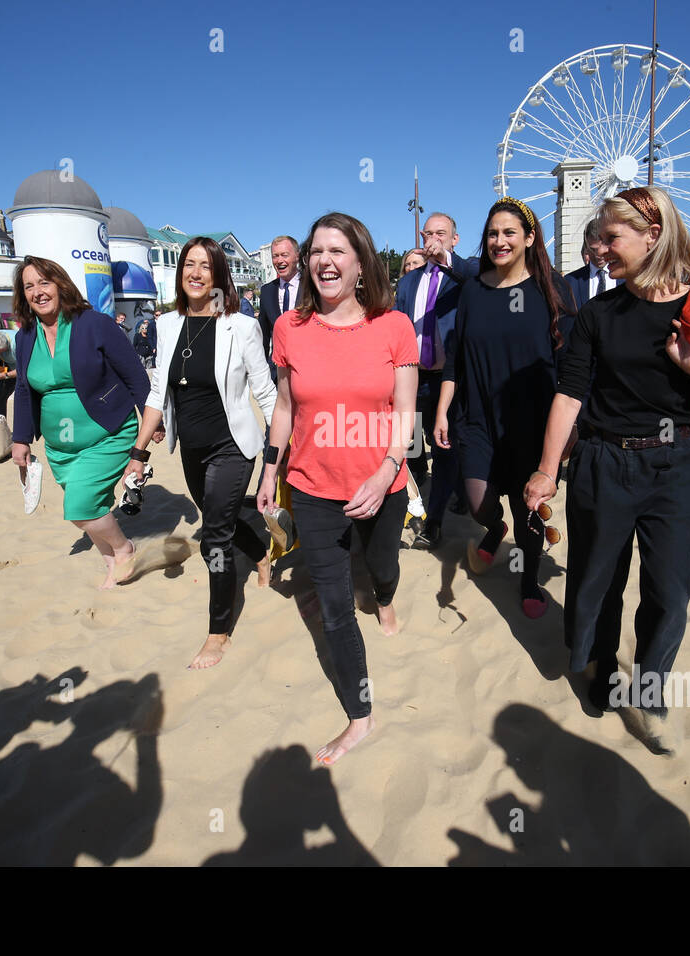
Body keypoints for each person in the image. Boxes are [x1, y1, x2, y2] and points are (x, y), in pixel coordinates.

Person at [524, 185, 690, 747]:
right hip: (600, 461)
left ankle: (650, 683)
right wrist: (547, 470)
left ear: (653, 234)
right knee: (597, 580)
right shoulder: (597, 313)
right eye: (598, 240)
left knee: (668, 585)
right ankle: (597, 665)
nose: (601, 249)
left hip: (675, 464)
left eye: (611, 238)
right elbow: (570, 395)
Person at [258, 212, 418, 766]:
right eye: (316, 251)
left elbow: (404, 412)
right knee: (333, 606)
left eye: (338, 251)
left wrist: (385, 470)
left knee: (381, 570)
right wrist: (268, 469)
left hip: (383, 483)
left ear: (360, 264)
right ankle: (360, 715)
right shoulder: (288, 328)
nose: (325, 260)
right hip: (313, 486)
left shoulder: (394, 326)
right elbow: (283, 406)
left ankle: (388, 600)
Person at [127, 237, 277, 669]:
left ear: (218, 276)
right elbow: (158, 392)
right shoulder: (168, 323)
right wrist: (139, 452)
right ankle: (262, 552)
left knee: (213, 536)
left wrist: (278, 448)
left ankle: (218, 632)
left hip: (232, 446)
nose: (195, 273)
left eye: (204, 266)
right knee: (221, 522)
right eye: (188, 265)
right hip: (190, 447)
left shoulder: (242, 326)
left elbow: (264, 391)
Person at [434, 197, 574, 618]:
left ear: (530, 237)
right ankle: (495, 529)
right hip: (475, 417)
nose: (500, 241)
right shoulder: (474, 290)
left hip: (531, 420)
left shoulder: (554, 288)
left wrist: (570, 427)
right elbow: (456, 357)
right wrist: (442, 409)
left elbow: (572, 366)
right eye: (493, 233)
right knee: (478, 502)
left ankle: (529, 579)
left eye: (510, 232)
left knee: (526, 504)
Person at [9, 255, 150, 590]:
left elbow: (135, 375)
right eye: (29, 286)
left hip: (107, 432)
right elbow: (24, 388)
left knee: (79, 508)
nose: (38, 292)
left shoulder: (95, 323)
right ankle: (112, 568)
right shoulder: (26, 336)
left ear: (60, 284)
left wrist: (152, 423)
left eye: (44, 282)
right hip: (60, 446)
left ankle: (124, 548)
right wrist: (21, 438)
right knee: (94, 508)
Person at [393, 213, 479, 549]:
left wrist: (445, 260)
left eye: (441, 234)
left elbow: (476, 273)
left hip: (451, 378)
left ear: (454, 239)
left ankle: (437, 519)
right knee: (411, 440)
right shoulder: (408, 283)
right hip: (414, 378)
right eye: (428, 233)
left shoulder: (464, 276)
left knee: (445, 444)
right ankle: (419, 491)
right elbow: (399, 328)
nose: (433, 239)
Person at [258, 235, 302, 374]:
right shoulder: (266, 291)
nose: (279, 260)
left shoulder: (313, 285)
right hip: (277, 372)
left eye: (284, 255)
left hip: (309, 370)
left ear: (297, 256)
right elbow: (263, 335)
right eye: (275, 256)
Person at [565, 217, 621, 309]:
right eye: (593, 249)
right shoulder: (570, 282)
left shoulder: (627, 279)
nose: (598, 255)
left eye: (602, 247)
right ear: (586, 247)